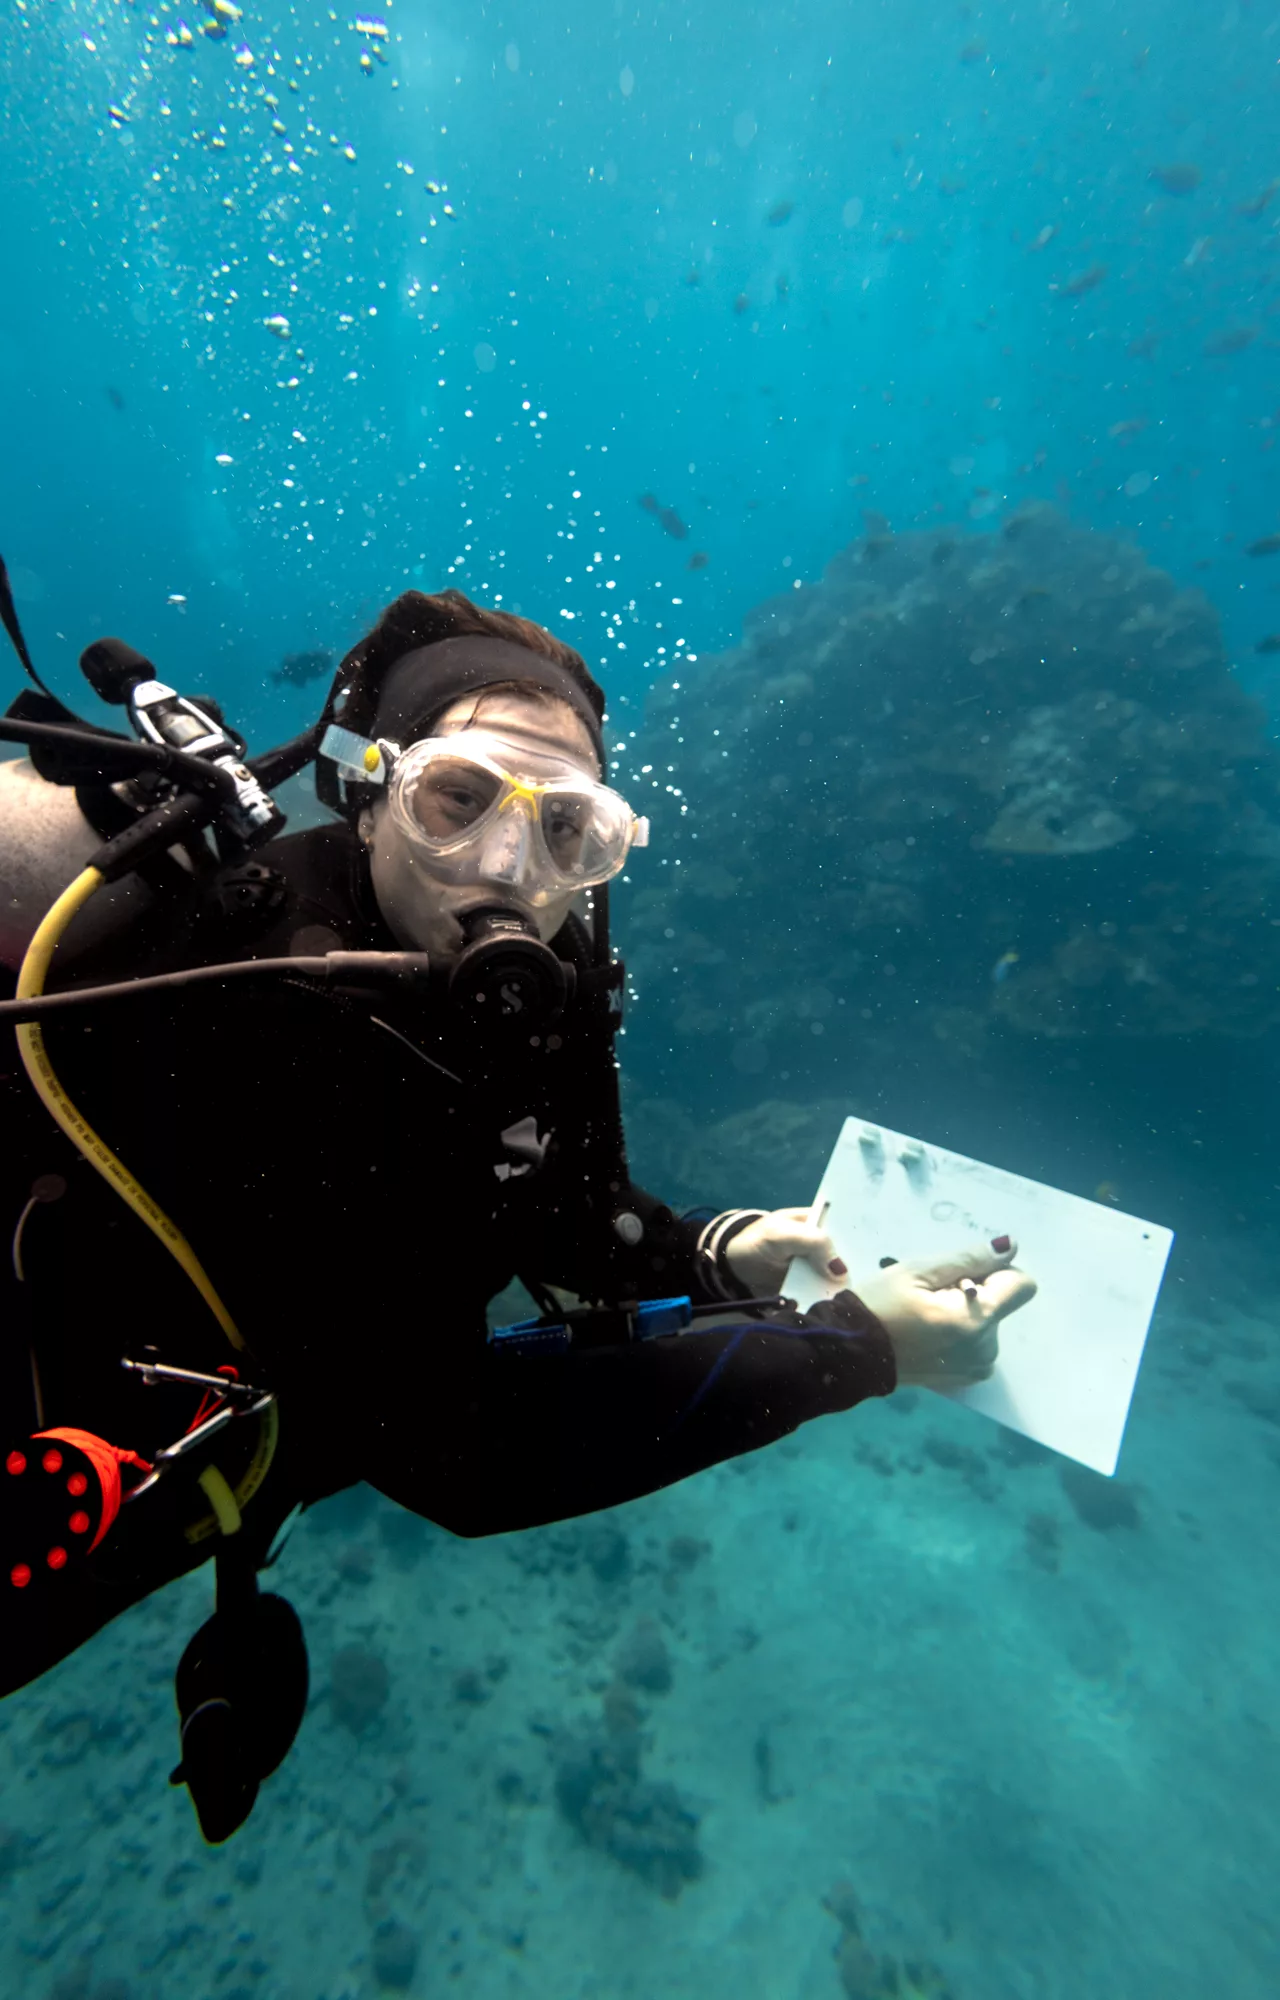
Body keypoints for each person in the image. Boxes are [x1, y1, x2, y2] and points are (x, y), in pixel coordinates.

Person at [0, 585, 1035, 1832]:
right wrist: (855, 1349)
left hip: (234, 1436)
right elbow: (456, 1451)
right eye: (456, 798)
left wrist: (714, 1249)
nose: (507, 865)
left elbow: (563, 1216)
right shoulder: (261, 990)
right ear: (368, 789)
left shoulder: (542, 978)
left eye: (569, 830)